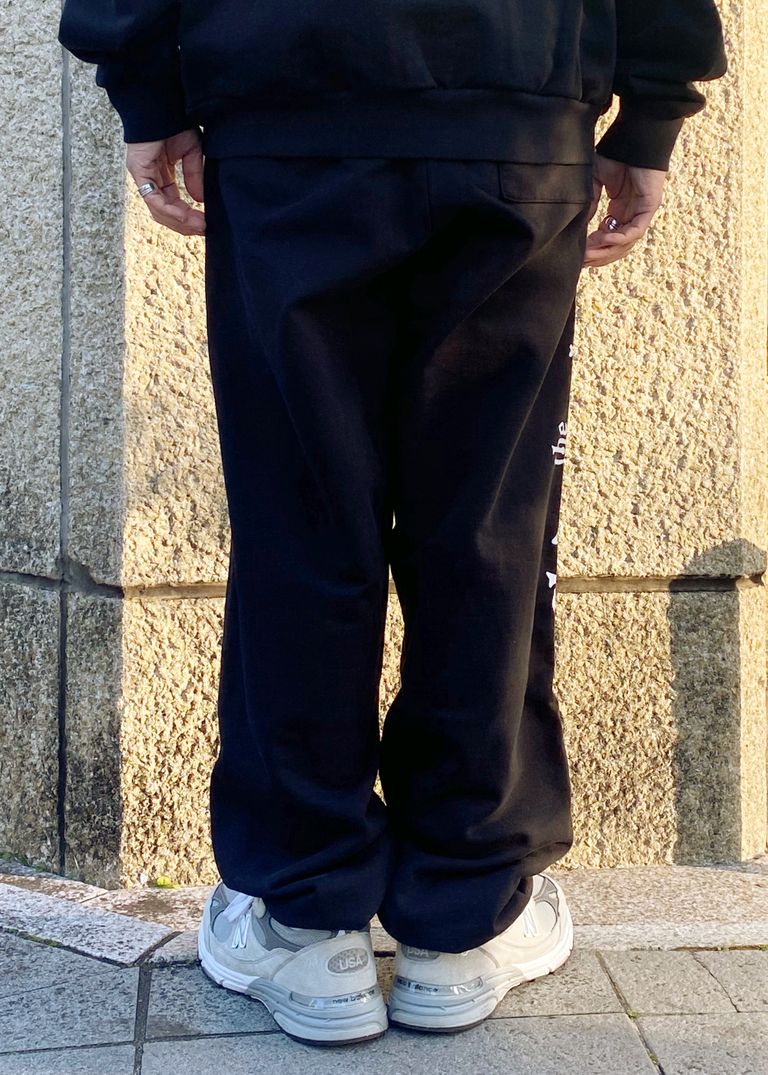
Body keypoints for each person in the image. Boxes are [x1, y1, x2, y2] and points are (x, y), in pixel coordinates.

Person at [58, 0, 728, 1048]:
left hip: (289, 116)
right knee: (486, 533)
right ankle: (461, 918)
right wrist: (652, 107)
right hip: (515, 109)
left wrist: (147, 89)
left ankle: (307, 918)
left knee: (302, 522)